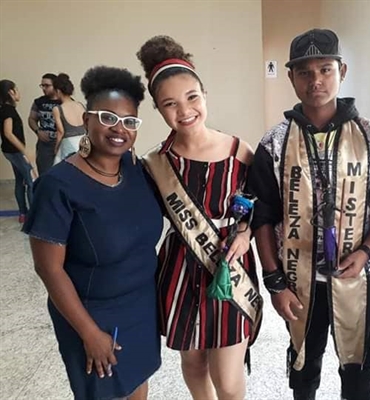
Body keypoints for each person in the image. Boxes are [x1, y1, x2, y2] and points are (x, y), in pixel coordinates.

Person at [249, 28, 370, 400]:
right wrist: (274, 281)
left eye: (325, 69)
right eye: (304, 72)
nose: (315, 80)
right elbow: (262, 216)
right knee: (304, 363)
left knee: (357, 365)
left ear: (342, 71)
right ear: (291, 78)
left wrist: (366, 251)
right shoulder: (274, 142)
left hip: (360, 276)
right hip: (300, 280)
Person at [22, 66, 163, 400]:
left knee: (137, 383)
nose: (120, 129)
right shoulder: (57, 186)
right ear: (86, 120)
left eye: (130, 121)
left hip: (142, 306)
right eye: (108, 118)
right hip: (92, 314)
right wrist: (88, 332)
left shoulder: (136, 171)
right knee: (105, 392)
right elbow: (48, 268)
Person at [137, 35, 262, 400]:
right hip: (179, 269)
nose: (185, 110)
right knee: (193, 363)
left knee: (229, 379)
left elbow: (260, 206)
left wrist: (246, 234)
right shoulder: (156, 163)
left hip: (230, 268)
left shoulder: (240, 152)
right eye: (170, 104)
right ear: (158, 109)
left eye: (192, 97)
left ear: (205, 95)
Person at [0, 80, 34, 223]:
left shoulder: (5, 109)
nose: (19, 92)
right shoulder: (8, 110)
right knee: (31, 181)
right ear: (11, 92)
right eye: (17, 89)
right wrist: (24, 150)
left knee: (20, 180)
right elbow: (8, 133)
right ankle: (33, 216)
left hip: (10, 151)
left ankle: (23, 214)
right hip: (15, 152)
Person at [28, 73, 61, 175]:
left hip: (61, 143)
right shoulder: (39, 102)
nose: (43, 88)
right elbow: (32, 119)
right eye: (42, 85)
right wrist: (38, 131)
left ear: (55, 86)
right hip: (44, 144)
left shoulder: (65, 102)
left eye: (47, 85)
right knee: (44, 173)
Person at [52, 73, 87, 163]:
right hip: (83, 141)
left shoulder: (57, 109)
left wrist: (56, 148)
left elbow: (60, 131)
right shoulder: (80, 105)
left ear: (58, 91)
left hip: (68, 143)